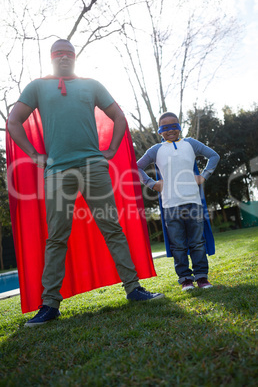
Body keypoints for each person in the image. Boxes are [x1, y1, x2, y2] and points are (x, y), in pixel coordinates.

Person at [8, 39, 164, 327]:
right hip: (56, 172)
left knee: (112, 227)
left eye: (69, 53)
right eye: (59, 54)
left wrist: (112, 149)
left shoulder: (91, 84)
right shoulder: (37, 87)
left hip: (94, 167)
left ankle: (134, 288)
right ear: (51, 58)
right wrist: (33, 154)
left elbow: (118, 116)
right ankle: (50, 304)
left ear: (75, 57)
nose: (64, 57)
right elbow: (14, 120)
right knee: (56, 236)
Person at [137, 112, 220, 291]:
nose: (170, 130)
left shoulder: (190, 144)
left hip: (193, 202)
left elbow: (214, 156)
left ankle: (202, 277)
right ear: (160, 131)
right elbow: (136, 167)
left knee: (197, 242)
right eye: (165, 127)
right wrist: (152, 184)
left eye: (174, 125)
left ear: (180, 126)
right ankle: (185, 280)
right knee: (179, 245)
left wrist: (204, 176)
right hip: (170, 205)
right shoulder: (155, 150)